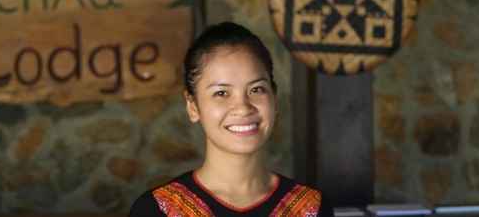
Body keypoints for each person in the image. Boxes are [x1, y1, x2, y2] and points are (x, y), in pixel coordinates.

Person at [128, 22, 333, 217]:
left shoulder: (312, 208)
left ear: (274, 99)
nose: (243, 107)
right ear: (193, 106)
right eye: (221, 93)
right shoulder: (156, 210)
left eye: (256, 89)